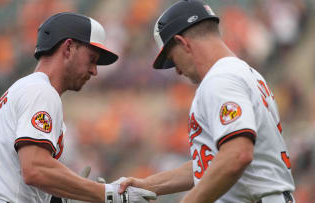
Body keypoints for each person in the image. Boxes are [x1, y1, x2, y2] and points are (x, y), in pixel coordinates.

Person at [0, 12, 156, 203]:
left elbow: (25, 175)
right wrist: (107, 194)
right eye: (91, 59)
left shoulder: (27, 88)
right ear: (69, 48)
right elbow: (35, 169)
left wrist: (67, 193)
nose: (94, 71)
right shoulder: (41, 91)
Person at [118, 1, 295, 203]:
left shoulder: (220, 79)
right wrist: (150, 185)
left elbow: (237, 155)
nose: (176, 70)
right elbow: (213, 161)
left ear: (183, 43)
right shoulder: (244, 73)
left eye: (172, 58)